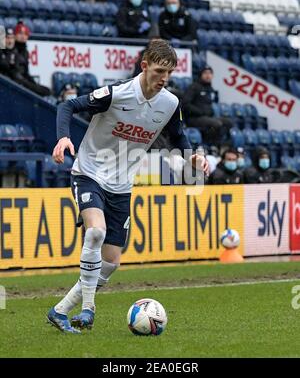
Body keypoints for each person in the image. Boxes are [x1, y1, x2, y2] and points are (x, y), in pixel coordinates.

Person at [47, 39, 209, 333]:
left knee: (111, 262)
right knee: (95, 231)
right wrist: (62, 137)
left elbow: (177, 137)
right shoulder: (116, 93)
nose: (164, 79)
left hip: (121, 185)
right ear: (144, 66)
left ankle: (59, 311)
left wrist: (192, 158)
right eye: (159, 71)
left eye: (169, 74)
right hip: (89, 172)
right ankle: (88, 310)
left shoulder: (170, 103)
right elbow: (67, 105)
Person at [182, 65, 232, 145]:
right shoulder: (194, 87)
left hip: (207, 117)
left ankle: (224, 145)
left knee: (228, 122)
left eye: (210, 73)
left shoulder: (210, 89)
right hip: (194, 118)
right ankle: (211, 144)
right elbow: (185, 104)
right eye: (205, 73)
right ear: (200, 75)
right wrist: (200, 112)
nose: (208, 75)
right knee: (217, 124)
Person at [14, 21, 51, 97]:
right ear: (15, 35)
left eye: (25, 34)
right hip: (16, 81)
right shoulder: (11, 49)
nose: (23, 36)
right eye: (20, 33)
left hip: (23, 80)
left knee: (46, 90)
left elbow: (26, 72)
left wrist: (33, 83)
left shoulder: (25, 52)